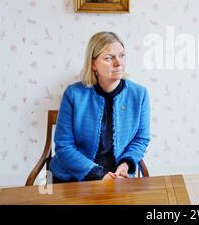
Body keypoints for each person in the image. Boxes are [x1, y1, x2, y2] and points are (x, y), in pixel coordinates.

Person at [49, 32, 150, 183]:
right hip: (72, 177)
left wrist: (125, 164)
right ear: (93, 64)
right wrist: (98, 174)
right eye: (109, 58)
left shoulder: (139, 95)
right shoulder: (73, 94)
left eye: (121, 55)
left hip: (117, 177)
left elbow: (140, 139)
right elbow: (64, 147)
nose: (118, 63)